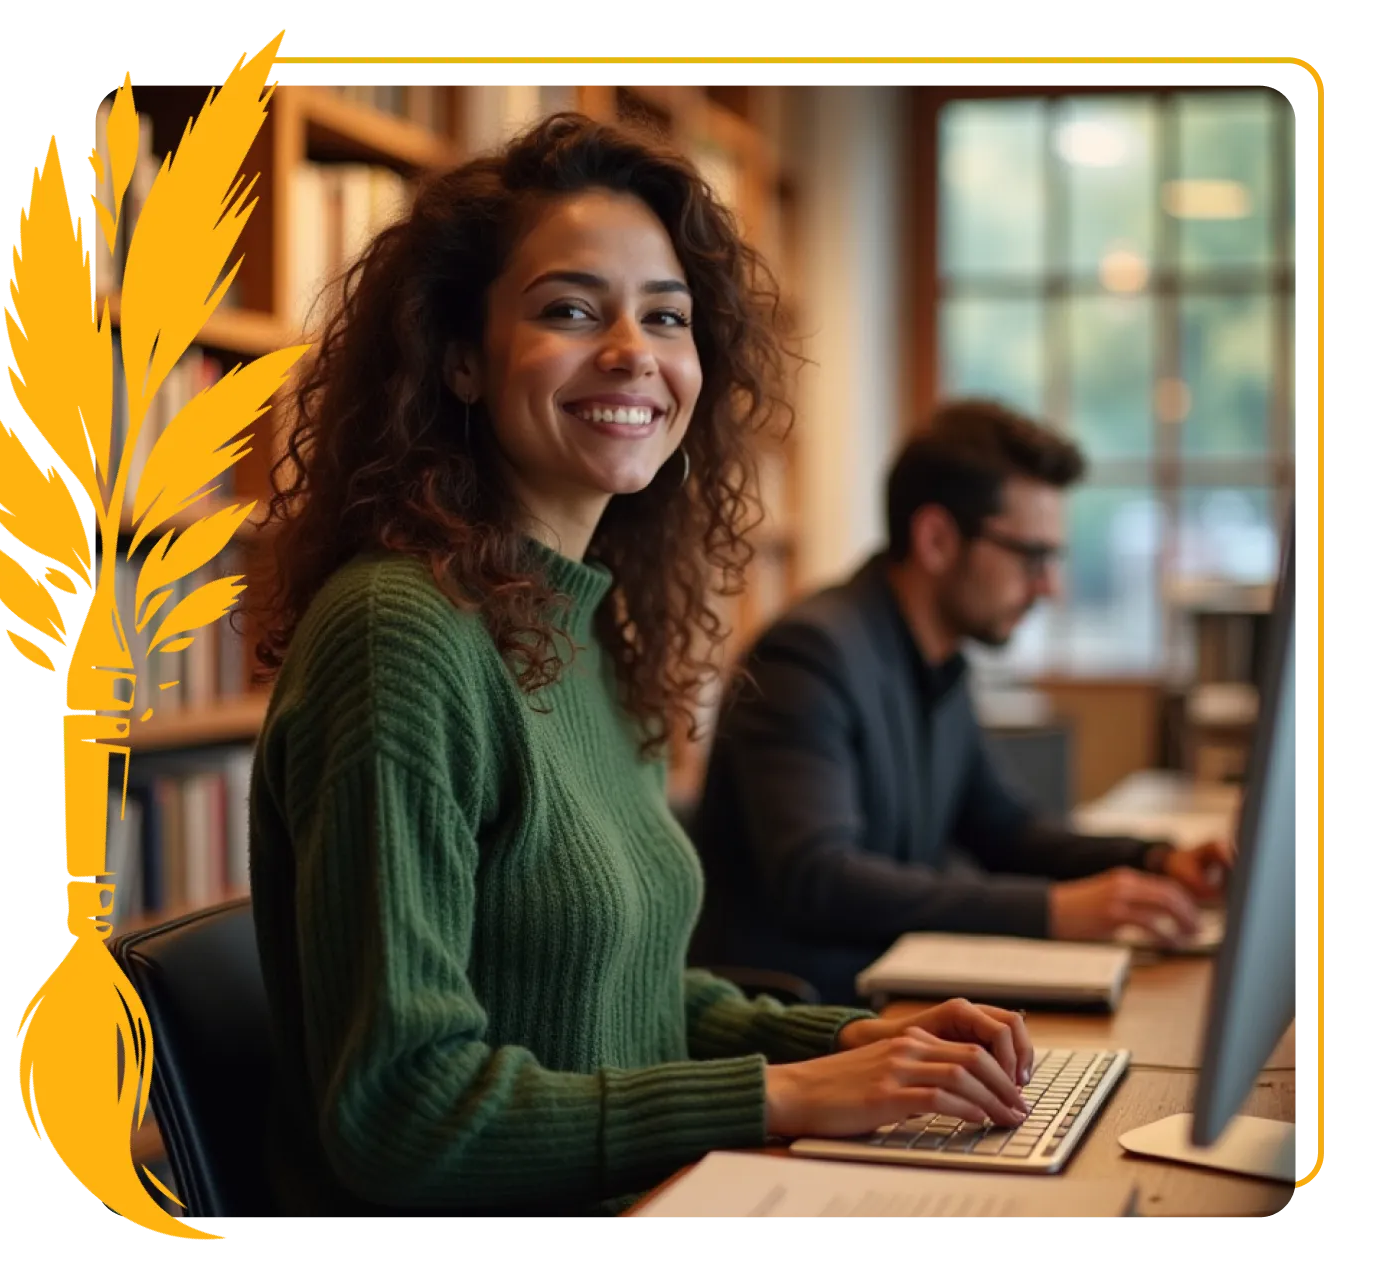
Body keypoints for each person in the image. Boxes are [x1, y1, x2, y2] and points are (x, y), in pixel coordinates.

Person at [243, 114, 1035, 1225]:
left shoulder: (586, 633)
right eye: (570, 310)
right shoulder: (400, 634)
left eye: (666, 316)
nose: (633, 352)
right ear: (459, 357)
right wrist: (786, 1093)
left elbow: (620, 995)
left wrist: (858, 1037)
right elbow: (402, 1113)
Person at [688, 398, 1235, 1008]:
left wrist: (1155, 860)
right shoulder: (810, 656)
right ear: (938, 539)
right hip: (804, 1019)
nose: (1049, 586)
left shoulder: (940, 659)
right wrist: (1054, 910)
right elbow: (819, 879)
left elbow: (1002, 828)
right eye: (1032, 557)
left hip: (891, 996)